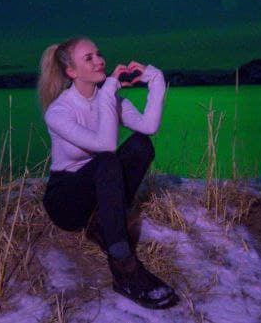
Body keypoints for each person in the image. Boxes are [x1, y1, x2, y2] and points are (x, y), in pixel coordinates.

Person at [38, 36, 178, 309]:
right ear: (71, 72)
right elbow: (105, 145)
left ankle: (103, 224)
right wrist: (109, 89)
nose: (100, 60)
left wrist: (155, 79)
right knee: (108, 159)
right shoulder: (58, 112)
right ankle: (124, 268)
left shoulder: (109, 99)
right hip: (66, 201)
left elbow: (148, 126)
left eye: (98, 54)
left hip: (101, 182)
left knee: (140, 145)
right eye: (88, 58)